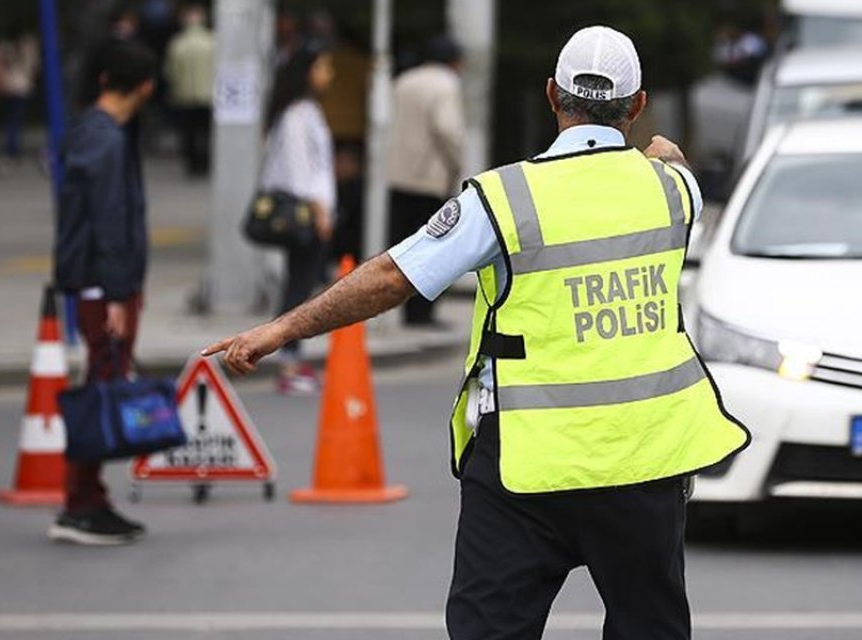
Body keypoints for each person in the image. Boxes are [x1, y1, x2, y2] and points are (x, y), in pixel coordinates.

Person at [204, 26, 751, 638]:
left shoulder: (504, 198)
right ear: (639, 104)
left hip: (525, 466)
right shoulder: (675, 191)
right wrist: (662, 154)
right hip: (645, 462)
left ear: (552, 95)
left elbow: (392, 276)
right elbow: (673, 165)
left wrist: (281, 329)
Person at [50, 41, 157, 546]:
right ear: (145, 87)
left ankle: (88, 498)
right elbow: (110, 223)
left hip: (97, 283)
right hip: (103, 287)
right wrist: (118, 294)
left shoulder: (89, 130)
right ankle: (81, 504)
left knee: (102, 382)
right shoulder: (107, 140)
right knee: (101, 388)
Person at [257, 41, 336, 395]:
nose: (328, 74)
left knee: (300, 283)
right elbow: (300, 170)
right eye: (323, 67)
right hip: (306, 213)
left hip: (313, 210)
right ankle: (288, 360)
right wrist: (319, 211)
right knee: (299, 287)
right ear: (307, 72)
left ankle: (291, 356)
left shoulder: (305, 110)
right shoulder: (297, 115)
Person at [385, 35, 464, 327]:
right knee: (433, 248)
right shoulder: (446, 84)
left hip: (399, 174)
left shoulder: (404, 81)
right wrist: (456, 161)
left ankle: (406, 311)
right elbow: (447, 128)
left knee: (404, 246)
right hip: (429, 177)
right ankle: (422, 313)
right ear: (455, 61)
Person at [164, 4, 214, 177]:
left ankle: (193, 164)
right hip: (209, 95)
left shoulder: (177, 44)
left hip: (184, 95)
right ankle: (205, 163)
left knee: (189, 133)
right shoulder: (212, 42)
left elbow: (170, 71)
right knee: (206, 132)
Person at [0, 29, 37, 167]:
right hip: (21, 87)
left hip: (8, 87)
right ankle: (13, 147)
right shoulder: (27, 48)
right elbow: (32, 67)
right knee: (17, 119)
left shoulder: (5, 49)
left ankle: (11, 146)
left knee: (10, 119)